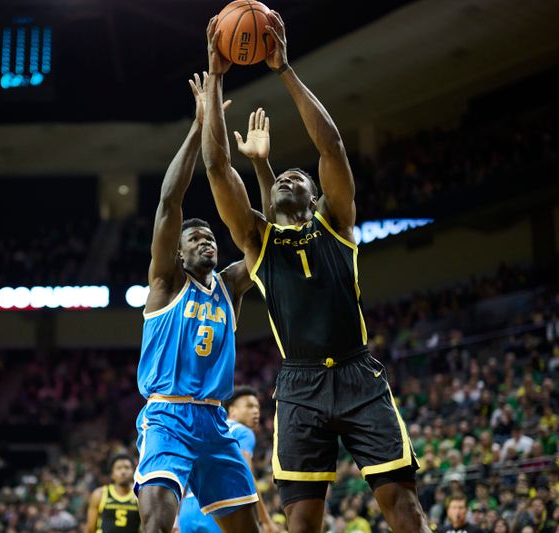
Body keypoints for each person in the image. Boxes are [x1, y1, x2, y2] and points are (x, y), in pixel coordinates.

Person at [200, 11, 431, 533]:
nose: (286, 178)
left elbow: (332, 147)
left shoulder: (337, 223)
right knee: (302, 522)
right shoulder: (258, 241)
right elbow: (217, 167)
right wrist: (215, 78)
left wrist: (285, 70)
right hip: (300, 385)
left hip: (358, 373)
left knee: (405, 508)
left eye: (297, 176)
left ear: (315, 195)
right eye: (280, 176)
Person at [133, 73, 260, 533]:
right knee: (157, 524)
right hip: (167, 415)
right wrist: (199, 125)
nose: (206, 241)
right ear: (179, 252)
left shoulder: (231, 285)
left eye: (210, 237)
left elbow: (264, 244)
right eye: (195, 238)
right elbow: (169, 202)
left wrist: (257, 168)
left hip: (214, 420)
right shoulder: (166, 282)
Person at [178, 386, 280, 533]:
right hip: (220, 507)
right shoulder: (243, 432)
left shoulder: (210, 429)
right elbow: (247, 475)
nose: (256, 411)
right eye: (249, 406)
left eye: (257, 407)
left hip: (188, 511)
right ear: (232, 410)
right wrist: (265, 520)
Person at [85, 454, 141, 533]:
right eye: (118, 468)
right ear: (112, 474)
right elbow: (90, 529)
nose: (123, 471)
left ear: (133, 472)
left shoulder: (140, 495)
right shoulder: (99, 494)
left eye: (127, 467)